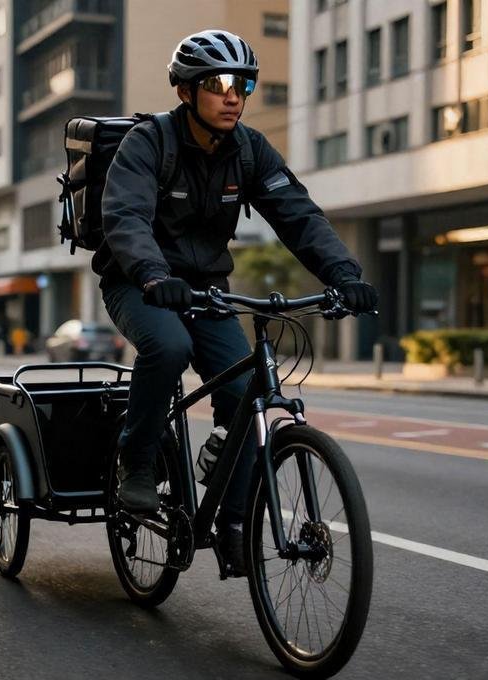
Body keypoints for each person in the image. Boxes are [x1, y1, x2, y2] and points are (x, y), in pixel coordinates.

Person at [94, 29, 377, 576]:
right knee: (170, 345)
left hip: (207, 289)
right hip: (138, 281)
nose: (233, 95)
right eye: (219, 83)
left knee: (245, 393)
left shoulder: (248, 149)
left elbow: (297, 213)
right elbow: (125, 218)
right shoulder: (148, 144)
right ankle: (138, 459)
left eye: (243, 84)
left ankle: (234, 523)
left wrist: (346, 275)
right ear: (185, 91)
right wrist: (153, 274)